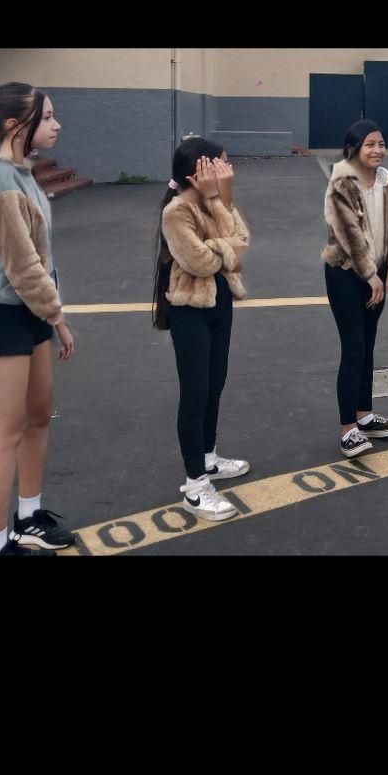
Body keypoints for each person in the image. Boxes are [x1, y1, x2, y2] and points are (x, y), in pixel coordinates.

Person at [0, 84, 77, 557]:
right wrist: (59, 318)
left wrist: (49, 313)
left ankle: (29, 515)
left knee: (37, 417)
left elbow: (39, 258)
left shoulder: (22, 173)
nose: (56, 125)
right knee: (5, 432)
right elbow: (22, 263)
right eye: (47, 117)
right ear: (17, 126)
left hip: (28, 309)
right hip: (1, 312)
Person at [152, 137, 250, 522]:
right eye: (222, 165)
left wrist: (220, 205)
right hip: (190, 310)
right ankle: (195, 486)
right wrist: (223, 242)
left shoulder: (217, 203)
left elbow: (242, 244)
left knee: (215, 382)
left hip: (220, 302)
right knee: (194, 394)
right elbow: (199, 262)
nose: (229, 171)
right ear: (199, 173)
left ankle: (208, 459)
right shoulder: (176, 211)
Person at [322, 120, 388, 458]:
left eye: (381, 143)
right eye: (369, 144)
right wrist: (371, 274)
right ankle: (348, 429)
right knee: (354, 346)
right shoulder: (341, 182)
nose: (377, 150)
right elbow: (348, 234)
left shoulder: (387, 181)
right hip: (345, 274)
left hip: (375, 274)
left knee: (369, 346)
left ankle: (365, 414)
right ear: (354, 149)